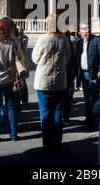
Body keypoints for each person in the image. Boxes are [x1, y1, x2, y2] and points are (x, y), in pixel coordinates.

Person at [32, 15, 70, 149]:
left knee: (45, 111)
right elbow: (67, 58)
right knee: (58, 110)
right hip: (59, 80)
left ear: (48, 24)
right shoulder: (64, 39)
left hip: (44, 80)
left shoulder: (43, 39)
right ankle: (57, 139)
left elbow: (35, 59)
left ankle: (47, 140)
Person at [76, 22, 100, 130]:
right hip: (83, 74)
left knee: (94, 98)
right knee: (86, 98)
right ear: (80, 31)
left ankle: (93, 121)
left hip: (94, 74)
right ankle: (88, 118)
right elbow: (77, 58)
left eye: (88, 28)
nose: (87, 30)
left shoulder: (97, 40)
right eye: (84, 29)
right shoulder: (79, 43)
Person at [62, 29, 77, 126]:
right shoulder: (70, 44)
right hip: (68, 73)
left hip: (63, 73)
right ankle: (66, 118)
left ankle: (63, 117)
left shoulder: (63, 43)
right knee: (66, 97)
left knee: (62, 97)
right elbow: (74, 59)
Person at [17, 25, 29, 105]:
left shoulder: (24, 38)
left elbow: (22, 50)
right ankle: (21, 98)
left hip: (21, 62)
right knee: (19, 80)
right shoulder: (19, 38)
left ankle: (24, 99)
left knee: (22, 80)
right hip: (19, 62)